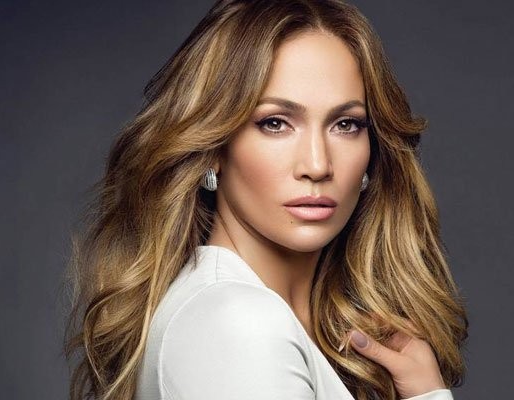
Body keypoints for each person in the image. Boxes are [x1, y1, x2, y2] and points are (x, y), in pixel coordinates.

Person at [64, 1, 469, 399]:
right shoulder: (238, 323)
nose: (317, 165)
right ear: (215, 147)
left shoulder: (265, 320)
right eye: (275, 123)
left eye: (346, 125)